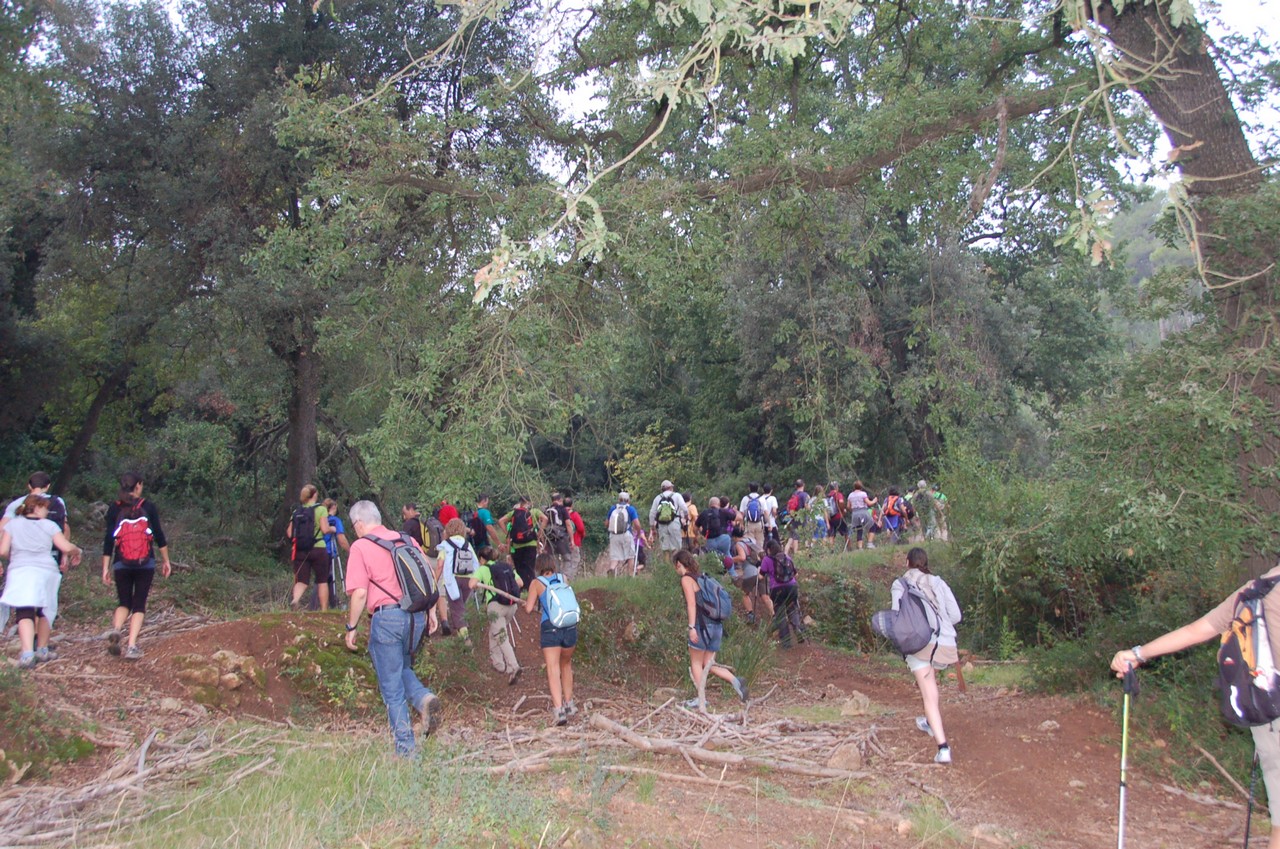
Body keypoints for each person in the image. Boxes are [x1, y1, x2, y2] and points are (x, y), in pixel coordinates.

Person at [343, 500, 442, 757]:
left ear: (359, 523)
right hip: (416, 617)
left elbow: (360, 593)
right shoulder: (406, 540)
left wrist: (351, 627)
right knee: (402, 667)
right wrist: (431, 612)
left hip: (387, 618)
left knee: (391, 688)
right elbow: (429, 576)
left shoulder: (361, 546)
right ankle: (423, 699)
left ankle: (406, 750)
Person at [894, 547, 962, 765]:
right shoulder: (939, 582)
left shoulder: (900, 584)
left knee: (928, 694)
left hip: (920, 644)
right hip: (946, 645)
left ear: (907, 563)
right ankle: (930, 722)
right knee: (931, 686)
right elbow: (956, 616)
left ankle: (943, 748)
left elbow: (897, 616)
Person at [0, 494, 82, 667]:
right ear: (36, 508)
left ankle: (27, 654)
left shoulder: (12, 525)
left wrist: (16, 556)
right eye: (45, 508)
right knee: (45, 609)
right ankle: (42, 649)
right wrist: (77, 551)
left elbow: (3, 550)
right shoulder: (49, 525)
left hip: (20, 570)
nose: (47, 512)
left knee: (24, 609)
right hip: (46, 571)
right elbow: (66, 547)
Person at [101, 472, 172, 659]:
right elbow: (159, 536)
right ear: (138, 486)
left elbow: (109, 540)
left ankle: (117, 630)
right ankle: (132, 646)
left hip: (121, 562)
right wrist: (166, 561)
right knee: (139, 604)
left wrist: (105, 567)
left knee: (124, 602)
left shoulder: (114, 508)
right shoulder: (148, 506)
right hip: (145, 563)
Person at [674, 550, 747, 711]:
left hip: (702, 627)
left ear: (679, 564)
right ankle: (736, 681)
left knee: (696, 662)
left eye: (676, 566)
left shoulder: (686, 579)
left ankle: (701, 699)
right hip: (716, 627)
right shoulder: (702, 577)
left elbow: (691, 604)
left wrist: (691, 627)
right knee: (708, 663)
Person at [524, 552, 577, 725]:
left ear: (538, 567)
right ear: (553, 565)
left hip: (551, 627)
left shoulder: (536, 583)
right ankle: (569, 704)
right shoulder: (563, 578)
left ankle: (559, 710)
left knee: (553, 668)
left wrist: (527, 603)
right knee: (566, 664)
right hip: (569, 626)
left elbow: (529, 609)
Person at [470, 546, 522, 684]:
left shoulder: (483, 568)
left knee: (501, 636)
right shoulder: (506, 566)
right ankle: (498, 664)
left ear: (482, 559)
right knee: (494, 632)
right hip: (512, 606)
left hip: (496, 606)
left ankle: (513, 666)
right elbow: (520, 583)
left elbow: (471, 584)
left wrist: (480, 584)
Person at [1, 473, 71, 560]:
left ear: (29, 486)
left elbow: (2, 528)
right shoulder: (57, 502)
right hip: (50, 554)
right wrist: (64, 554)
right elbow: (65, 527)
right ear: (48, 486)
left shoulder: (17, 503)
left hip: (21, 555)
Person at [287, 485, 334, 610]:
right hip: (318, 548)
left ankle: (295, 600)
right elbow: (325, 529)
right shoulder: (321, 509)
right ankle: (324, 610)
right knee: (322, 580)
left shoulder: (296, 512)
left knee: (301, 581)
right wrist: (332, 529)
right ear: (314, 495)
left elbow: (289, 533)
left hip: (300, 549)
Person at [436, 517, 477, 644]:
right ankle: (460, 636)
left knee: (457, 608)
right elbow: (475, 562)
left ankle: (465, 639)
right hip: (468, 579)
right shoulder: (467, 544)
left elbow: (440, 564)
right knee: (460, 606)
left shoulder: (445, 544)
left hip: (452, 580)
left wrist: (434, 580)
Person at [760, 539, 805, 648]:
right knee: (792, 609)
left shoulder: (767, 559)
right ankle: (797, 628)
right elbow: (796, 574)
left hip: (777, 590)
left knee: (780, 614)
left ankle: (786, 642)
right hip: (792, 587)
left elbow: (761, 576)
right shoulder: (787, 557)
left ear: (768, 549)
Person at [311, 499, 351, 610]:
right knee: (321, 579)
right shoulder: (335, 520)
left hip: (315, 550)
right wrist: (350, 551)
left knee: (328, 576)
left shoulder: (319, 519)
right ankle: (313, 607)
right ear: (333, 507)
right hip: (327, 552)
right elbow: (341, 539)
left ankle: (333, 603)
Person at [730, 528, 771, 625]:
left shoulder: (739, 544)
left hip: (750, 572)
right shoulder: (751, 540)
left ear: (734, 537)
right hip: (762, 570)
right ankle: (774, 615)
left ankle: (750, 615)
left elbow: (742, 557)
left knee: (744, 594)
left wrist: (730, 559)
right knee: (765, 596)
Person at [500, 496, 541, 591]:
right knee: (530, 568)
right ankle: (532, 589)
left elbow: (500, 521)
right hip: (531, 543)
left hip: (517, 544)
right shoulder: (534, 511)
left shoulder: (513, 513)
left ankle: (521, 588)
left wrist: (508, 534)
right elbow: (545, 518)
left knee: (519, 568)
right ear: (529, 502)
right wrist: (539, 533)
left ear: (520, 502)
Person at [648, 481, 687, 562]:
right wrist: (685, 517)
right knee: (676, 547)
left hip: (662, 525)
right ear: (671, 487)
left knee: (665, 548)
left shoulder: (657, 498)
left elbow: (652, 513)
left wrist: (652, 527)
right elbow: (685, 508)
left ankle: (667, 566)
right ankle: (676, 565)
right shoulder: (677, 495)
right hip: (674, 523)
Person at [605, 492, 641, 577]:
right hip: (626, 534)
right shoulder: (630, 509)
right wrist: (638, 533)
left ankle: (612, 569)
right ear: (628, 500)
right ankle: (630, 575)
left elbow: (606, 523)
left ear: (619, 499)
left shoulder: (613, 508)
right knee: (630, 556)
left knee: (615, 557)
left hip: (614, 535)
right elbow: (637, 524)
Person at [543, 492, 574, 574]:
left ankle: (556, 577)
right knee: (567, 559)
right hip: (561, 538)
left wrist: (543, 541)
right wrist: (572, 540)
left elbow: (543, 526)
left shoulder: (547, 510)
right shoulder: (562, 509)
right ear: (560, 500)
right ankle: (565, 577)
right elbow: (568, 525)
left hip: (550, 539)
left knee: (554, 561)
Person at [846, 481, 877, 550]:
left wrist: (853, 509)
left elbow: (848, 506)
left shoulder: (850, 495)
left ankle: (860, 548)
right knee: (872, 526)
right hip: (863, 512)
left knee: (859, 529)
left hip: (855, 513)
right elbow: (869, 503)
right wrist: (874, 501)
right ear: (861, 486)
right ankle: (870, 543)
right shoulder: (863, 494)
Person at [784, 481, 809, 558]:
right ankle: (796, 555)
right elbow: (807, 506)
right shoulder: (805, 495)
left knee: (791, 537)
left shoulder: (793, 494)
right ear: (803, 485)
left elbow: (788, 507)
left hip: (793, 518)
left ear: (796, 486)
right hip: (801, 518)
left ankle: (785, 553)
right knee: (798, 537)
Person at [563, 497, 586, 580]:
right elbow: (581, 528)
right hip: (574, 542)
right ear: (572, 505)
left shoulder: (560, 514)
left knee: (565, 561)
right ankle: (569, 579)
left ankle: (563, 578)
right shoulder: (574, 515)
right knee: (574, 560)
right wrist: (581, 537)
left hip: (562, 542)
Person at [739, 484, 766, 549]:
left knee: (750, 542)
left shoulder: (745, 498)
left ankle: (752, 554)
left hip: (749, 523)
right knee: (760, 542)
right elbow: (765, 512)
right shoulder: (762, 498)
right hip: (759, 523)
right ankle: (759, 554)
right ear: (758, 489)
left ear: (749, 488)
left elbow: (741, 513)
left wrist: (741, 524)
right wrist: (769, 523)